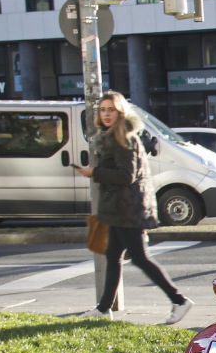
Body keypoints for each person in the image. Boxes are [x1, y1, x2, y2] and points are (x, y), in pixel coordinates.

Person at [75, 90, 193, 324]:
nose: (106, 114)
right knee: (113, 257)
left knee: (139, 258)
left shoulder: (123, 138)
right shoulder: (112, 136)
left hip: (128, 209)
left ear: (120, 112)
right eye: (103, 110)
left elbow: (126, 175)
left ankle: (179, 300)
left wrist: (94, 172)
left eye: (111, 110)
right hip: (120, 208)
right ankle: (103, 308)